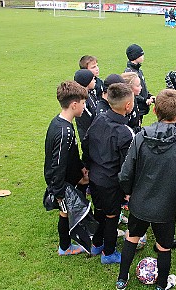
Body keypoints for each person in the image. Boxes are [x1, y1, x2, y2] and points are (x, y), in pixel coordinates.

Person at [116, 89, 176, 290]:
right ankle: (161, 285)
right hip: (164, 207)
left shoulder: (140, 138)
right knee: (163, 246)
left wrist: (128, 192)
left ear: (154, 110)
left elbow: (125, 173)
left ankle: (122, 279)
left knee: (131, 238)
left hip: (141, 202)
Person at [82, 83, 135, 264]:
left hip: (95, 178)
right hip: (111, 182)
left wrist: (88, 166)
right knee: (112, 216)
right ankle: (109, 252)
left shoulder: (99, 119)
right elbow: (126, 166)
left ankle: (97, 243)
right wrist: (128, 190)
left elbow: (86, 143)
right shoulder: (125, 133)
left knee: (100, 210)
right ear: (128, 105)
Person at [44, 80, 89, 256]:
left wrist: (81, 168)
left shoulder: (60, 122)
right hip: (62, 183)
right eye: (83, 103)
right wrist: (59, 191)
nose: (84, 107)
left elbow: (71, 155)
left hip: (69, 178)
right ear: (74, 104)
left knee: (69, 211)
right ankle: (65, 247)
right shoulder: (65, 131)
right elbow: (57, 163)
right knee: (64, 212)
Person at [124, 44, 155, 121]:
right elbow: (130, 93)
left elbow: (142, 87)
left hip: (141, 108)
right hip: (135, 108)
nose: (143, 56)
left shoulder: (139, 71)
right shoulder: (129, 74)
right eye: (141, 54)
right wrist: (145, 100)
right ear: (135, 56)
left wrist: (149, 96)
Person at [73, 69, 98, 143]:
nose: (95, 80)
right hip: (89, 138)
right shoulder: (83, 102)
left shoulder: (90, 94)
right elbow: (91, 120)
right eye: (93, 79)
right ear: (87, 82)